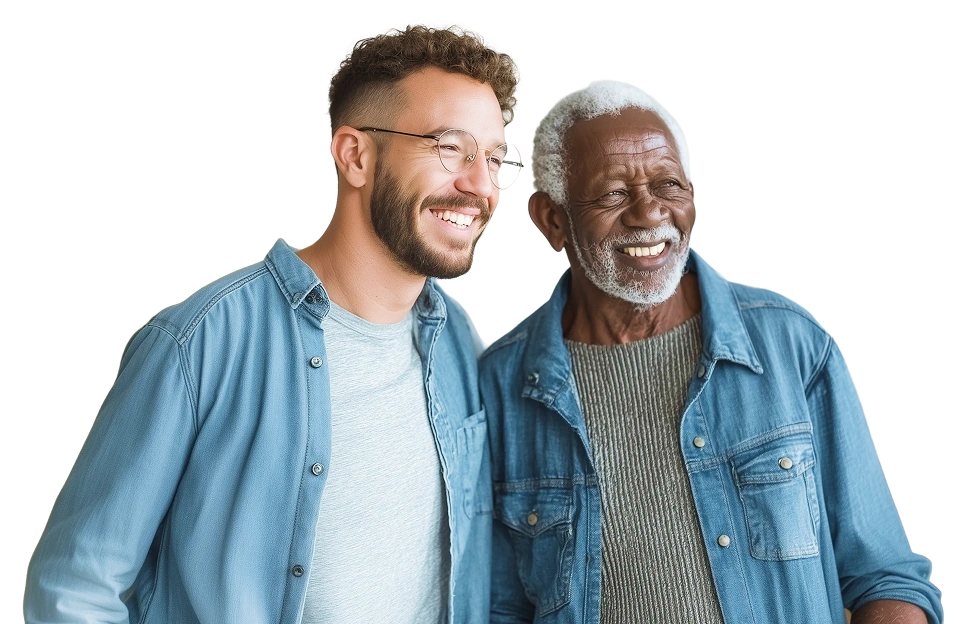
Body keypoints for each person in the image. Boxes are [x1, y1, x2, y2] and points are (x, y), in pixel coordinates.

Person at [24, 21, 522, 624]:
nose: (480, 185)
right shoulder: (202, 343)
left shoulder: (457, 343)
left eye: (494, 158)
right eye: (449, 147)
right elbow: (75, 592)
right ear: (355, 155)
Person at [481, 79, 943, 623]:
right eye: (613, 194)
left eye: (669, 185)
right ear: (552, 219)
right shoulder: (500, 387)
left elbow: (886, 578)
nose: (649, 212)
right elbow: (499, 608)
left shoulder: (789, 344)